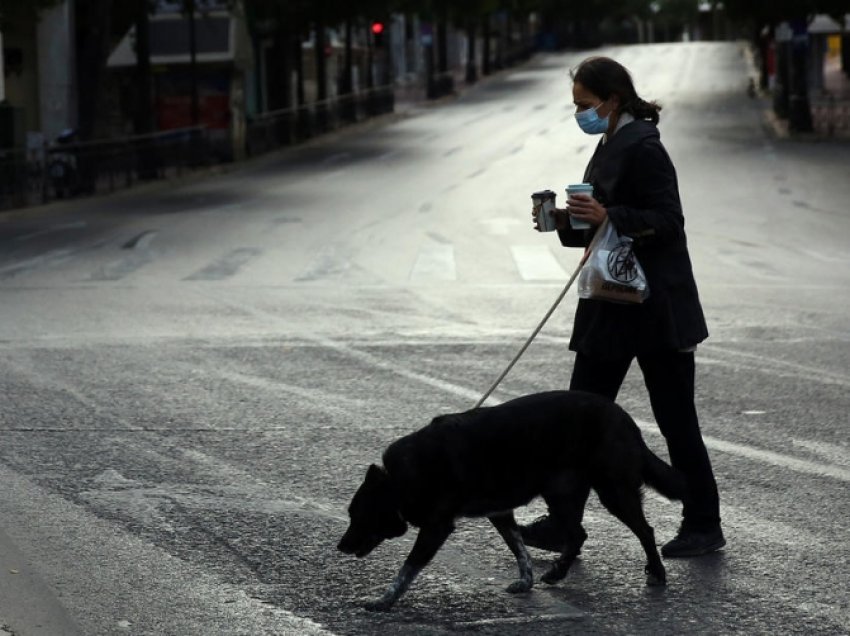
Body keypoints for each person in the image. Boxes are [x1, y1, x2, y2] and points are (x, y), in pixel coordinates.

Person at [525, 56, 724, 558]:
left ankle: (704, 523)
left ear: (613, 100)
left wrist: (609, 213)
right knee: (578, 417)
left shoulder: (645, 147)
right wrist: (565, 222)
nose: (580, 114)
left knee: (677, 420)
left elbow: (668, 221)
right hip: (612, 307)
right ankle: (564, 521)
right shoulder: (610, 141)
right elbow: (603, 226)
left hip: (656, 310)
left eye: (585, 105)